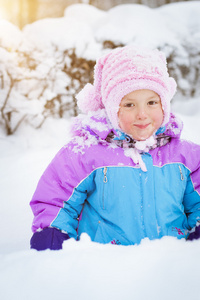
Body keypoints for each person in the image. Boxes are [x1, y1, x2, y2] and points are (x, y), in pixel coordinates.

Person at [30, 45, 200, 251]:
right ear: (112, 108)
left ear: (165, 104)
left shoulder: (186, 156)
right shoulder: (84, 153)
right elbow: (56, 200)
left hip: (167, 263)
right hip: (106, 265)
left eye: (152, 102)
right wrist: (53, 233)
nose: (142, 114)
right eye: (129, 105)